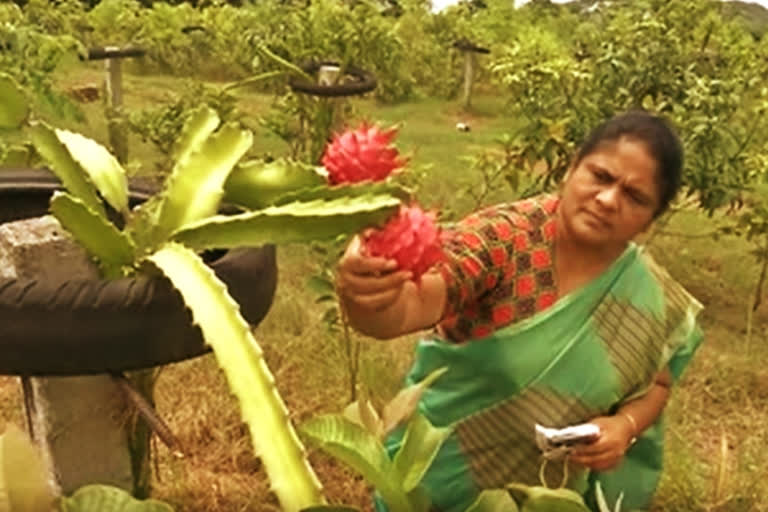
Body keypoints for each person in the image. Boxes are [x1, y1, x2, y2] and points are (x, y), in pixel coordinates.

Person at [335, 111, 704, 512]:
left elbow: (657, 386)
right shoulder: (506, 239)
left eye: (634, 196)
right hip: (430, 490)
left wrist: (625, 426)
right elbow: (408, 307)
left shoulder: (649, 296)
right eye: (600, 176)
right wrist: (365, 292)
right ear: (571, 168)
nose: (608, 199)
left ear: (651, 219)